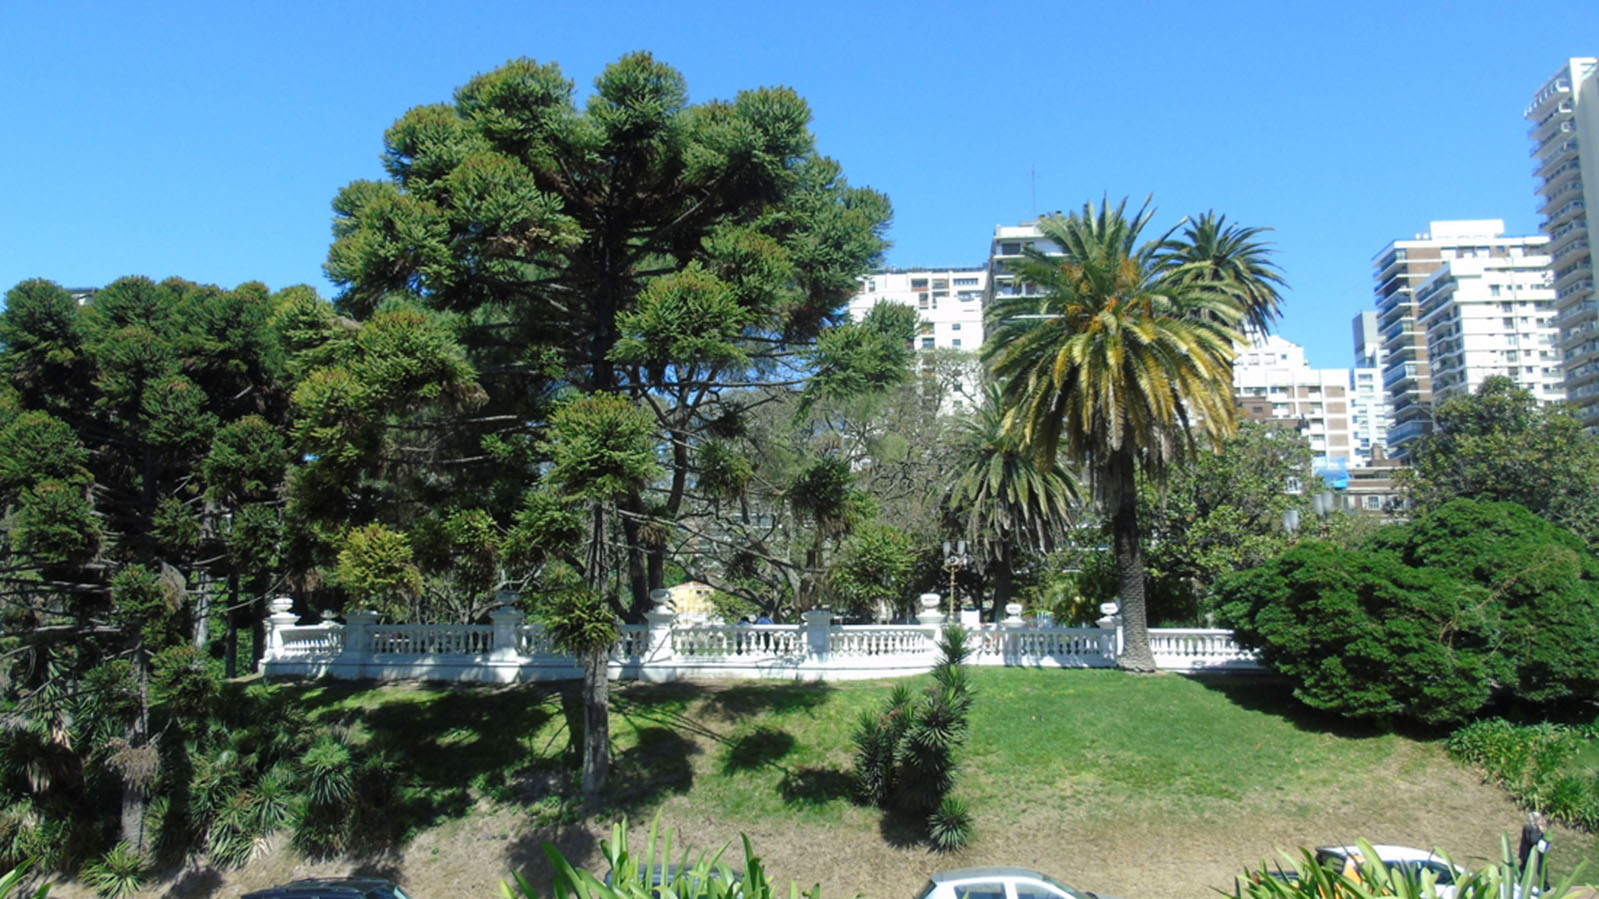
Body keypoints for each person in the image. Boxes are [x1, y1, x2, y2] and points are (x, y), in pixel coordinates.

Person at [1518, 811, 1551, 888]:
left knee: (1541, 868)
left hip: (1537, 853)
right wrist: (1541, 833)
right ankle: (1522, 883)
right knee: (1526, 868)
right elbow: (1533, 840)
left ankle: (1545, 885)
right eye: (1537, 819)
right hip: (1528, 853)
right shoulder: (1529, 827)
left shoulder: (1536, 827)